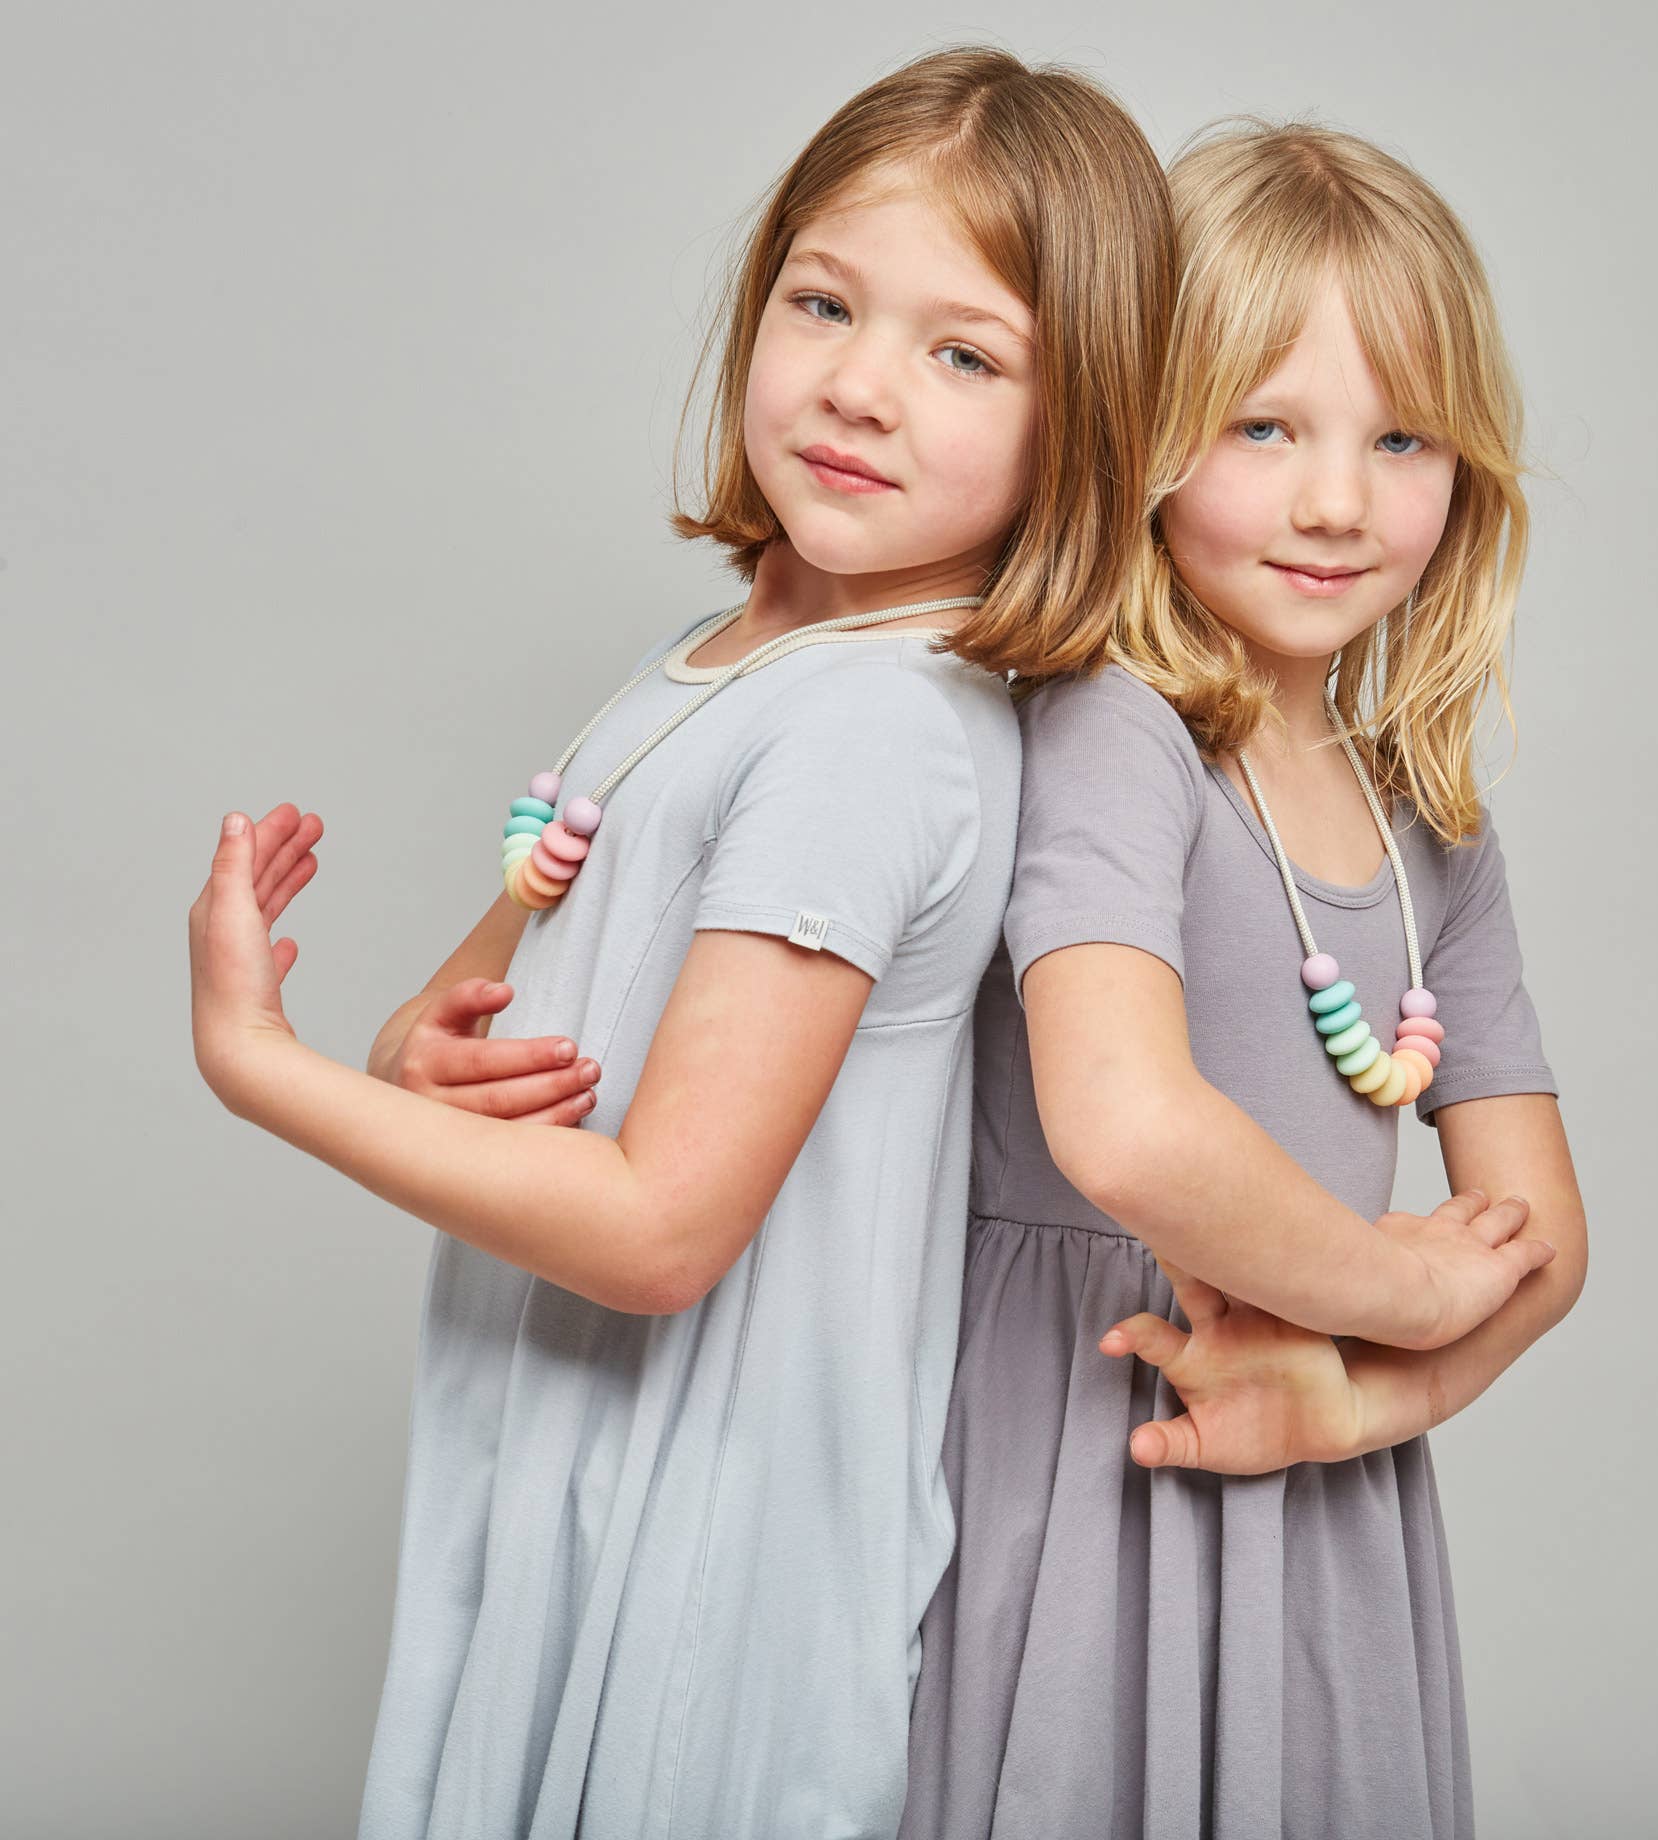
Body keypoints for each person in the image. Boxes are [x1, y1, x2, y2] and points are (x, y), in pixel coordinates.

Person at [186, 47, 1174, 1839]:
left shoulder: (875, 725)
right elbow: (502, 983)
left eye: (967, 354)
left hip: (704, 1541)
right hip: (578, 1463)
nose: (864, 386)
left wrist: (267, 1070)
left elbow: (657, 1232)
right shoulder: (721, 660)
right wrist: (420, 1047)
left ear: (1077, 424)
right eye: (825, 303)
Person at [900, 122, 1587, 1840]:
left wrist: (1354, 1393)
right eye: (1262, 426)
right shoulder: (1119, 730)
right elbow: (1126, 1133)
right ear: (1137, 436)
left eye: (1400, 437)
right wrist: (1393, 1290)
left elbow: (1544, 1240)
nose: (1338, 500)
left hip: (1312, 1459)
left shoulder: (1430, 819)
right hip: (1084, 1434)